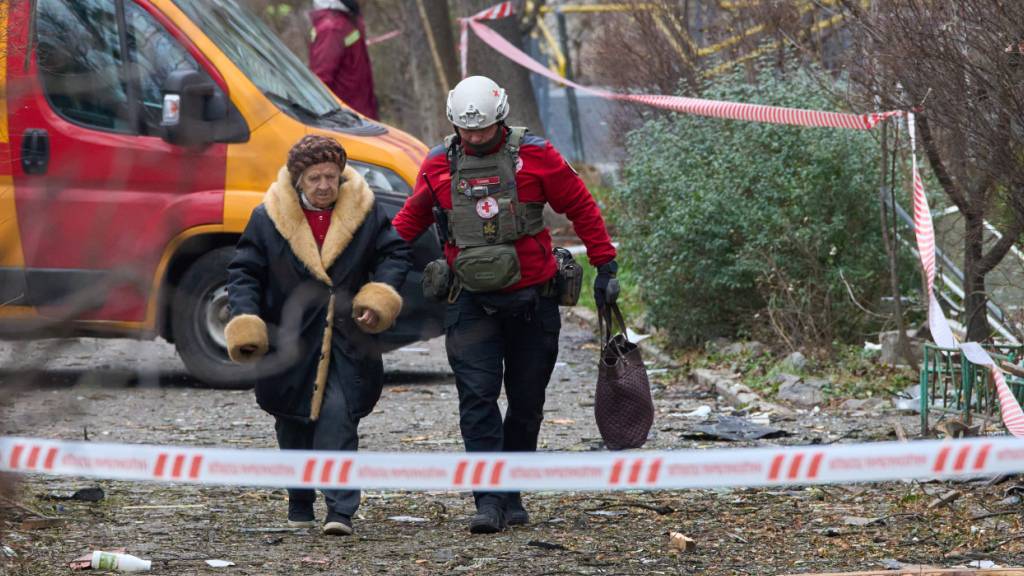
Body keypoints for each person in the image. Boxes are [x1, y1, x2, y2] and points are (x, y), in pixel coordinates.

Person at [391, 76, 619, 534]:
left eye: (482, 130)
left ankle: (512, 491)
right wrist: (373, 268)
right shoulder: (438, 164)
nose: (474, 139)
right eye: (465, 131)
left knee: (527, 402)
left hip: (534, 301)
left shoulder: (536, 155)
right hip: (469, 304)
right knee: (476, 399)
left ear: (501, 118)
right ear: (454, 123)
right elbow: (408, 221)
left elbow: (581, 205)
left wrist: (605, 266)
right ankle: (488, 501)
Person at [225, 134, 410, 536]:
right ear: (298, 181)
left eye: (331, 176)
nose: (324, 186)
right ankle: (300, 500)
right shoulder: (268, 217)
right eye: (314, 178)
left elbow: (394, 253)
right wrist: (246, 317)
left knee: (338, 417)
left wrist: (377, 295)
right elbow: (244, 272)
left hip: (347, 336)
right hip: (289, 338)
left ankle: (340, 510)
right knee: (291, 420)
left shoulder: (365, 212)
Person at [308, 0, 379, 120]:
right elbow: (320, 83)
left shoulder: (347, 18)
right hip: (349, 122)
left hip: (363, 114)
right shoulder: (331, 29)